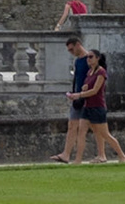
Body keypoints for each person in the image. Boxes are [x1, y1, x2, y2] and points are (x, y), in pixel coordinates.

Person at [71, 49, 125, 162]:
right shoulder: (90, 72)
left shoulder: (101, 72)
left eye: (91, 57)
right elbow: (89, 86)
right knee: (81, 132)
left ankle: (122, 156)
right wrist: (84, 88)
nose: (88, 59)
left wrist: (79, 95)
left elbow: (95, 90)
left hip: (97, 107)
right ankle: (78, 160)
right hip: (87, 106)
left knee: (104, 134)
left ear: (97, 58)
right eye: (87, 57)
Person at [49, 35, 90, 163]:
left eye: (72, 49)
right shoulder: (78, 61)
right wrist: (73, 94)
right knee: (72, 125)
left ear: (78, 44)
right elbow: (76, 79)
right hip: (77, 97)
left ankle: (104, 154)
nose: (71, 53)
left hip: (87, 97)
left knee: (97, 128)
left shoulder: (89, 59)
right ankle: (66, 154)